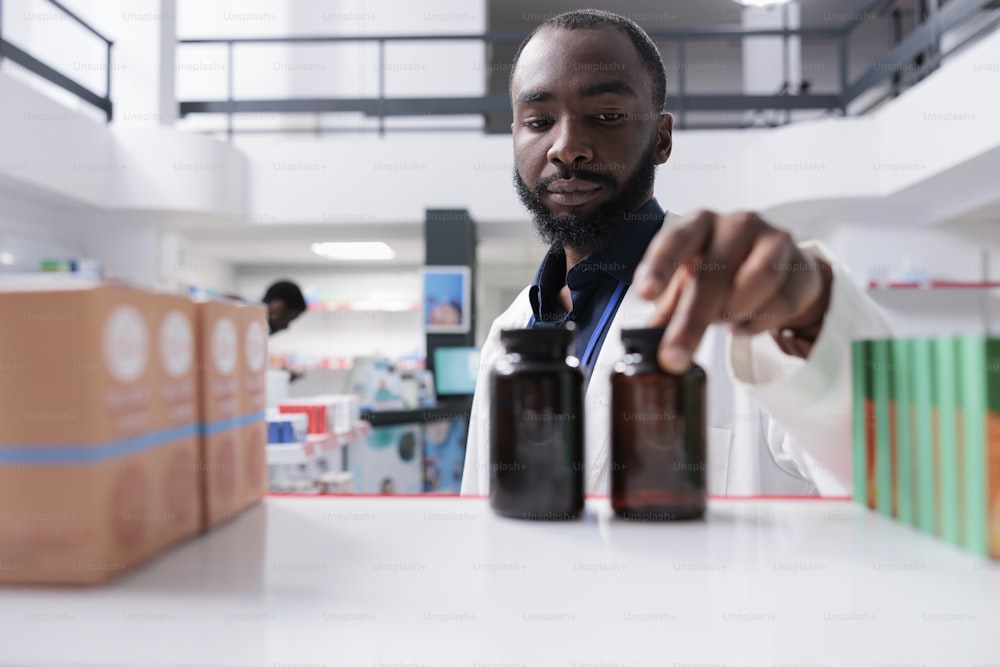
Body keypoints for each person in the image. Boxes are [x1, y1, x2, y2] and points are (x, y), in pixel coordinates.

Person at [460, 10, 891, 498]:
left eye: (607, 117)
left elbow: (905, 471)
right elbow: (482, 516)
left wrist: (818, 319)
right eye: (538, 121)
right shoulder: (508, 334)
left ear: (660, 138)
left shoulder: (748, 308)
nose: (567, 147)